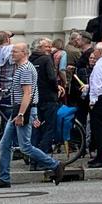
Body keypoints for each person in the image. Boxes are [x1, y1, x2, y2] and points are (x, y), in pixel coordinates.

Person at [0, 43, 66, 188]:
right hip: (18, 110)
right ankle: (4, 178)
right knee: (4, 144)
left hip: (24, 110)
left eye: (15, 52)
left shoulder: (26, 69)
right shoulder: (21, 68)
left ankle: (55, 165)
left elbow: (27, 93)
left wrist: (22, 114)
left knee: (25, 147)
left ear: (24, 53)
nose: (12, 54)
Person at [28, 38, 61, 169]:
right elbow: (52, 78)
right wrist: (57, 88)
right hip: (48, 98)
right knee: (49, 129)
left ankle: (33, 161)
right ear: (40, 48)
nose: (50, 48)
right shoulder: (47, 59)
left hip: (34, 99)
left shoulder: (30, 60)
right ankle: (42, 160)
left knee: (36, 130)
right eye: (47, 46)